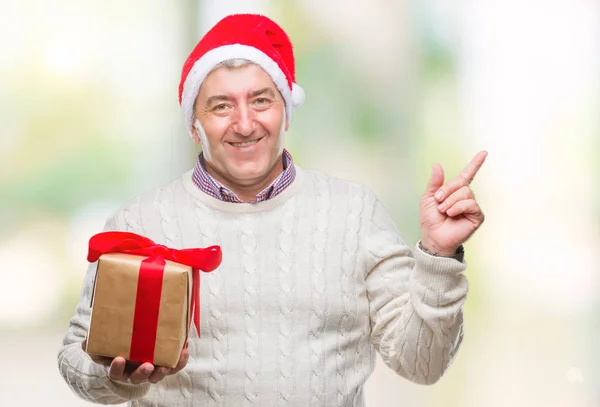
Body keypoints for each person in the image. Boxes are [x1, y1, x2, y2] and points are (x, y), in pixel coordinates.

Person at [58, 13, 486, 406]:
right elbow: (76, 362)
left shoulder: (356, 214)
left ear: (286, 112)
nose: (245, 124)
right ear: (194, 125)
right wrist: (117, 377)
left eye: (261, 101)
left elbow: (423, 365)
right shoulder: (141, 223)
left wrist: (437, 258)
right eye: (221, 106)